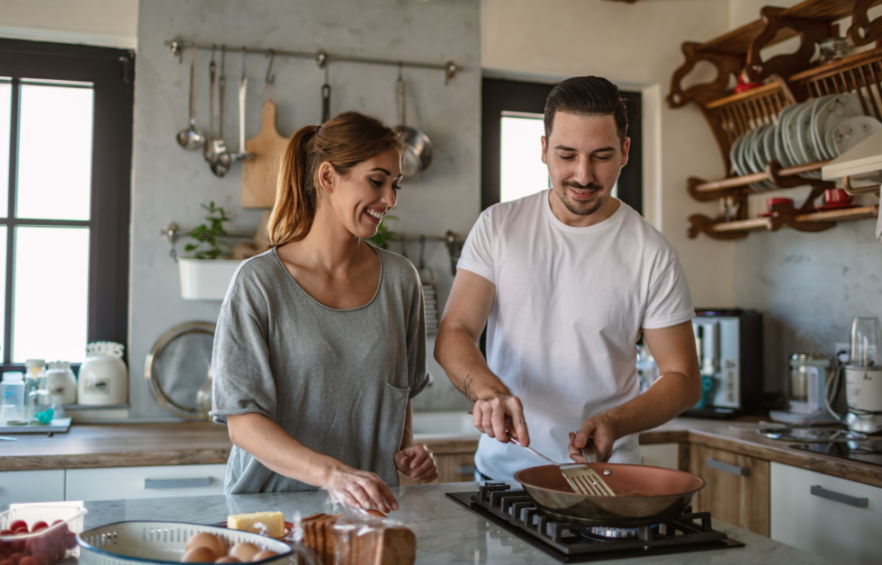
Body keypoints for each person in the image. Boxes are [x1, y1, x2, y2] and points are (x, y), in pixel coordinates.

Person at [435, 76, 701, 480]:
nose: (583, 175)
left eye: (601, 156)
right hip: (504, 477)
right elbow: (455, 330)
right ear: (543, 150)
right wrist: (490, 393)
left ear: (625, 152)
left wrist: (616, 421)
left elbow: (682, 378)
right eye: (567, 155)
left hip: (606, 478)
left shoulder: (652, 252)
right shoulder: (498, 227)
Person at [210, 111, 437, 510]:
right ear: (328, 177)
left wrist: (405, 449)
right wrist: (331, 474)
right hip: (269, 513)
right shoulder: (259, 283)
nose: (390, 199)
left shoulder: (402, 280)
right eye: (377, 180)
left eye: (395, 184)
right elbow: (243, 424)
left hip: (367, 512)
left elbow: (399, 393)